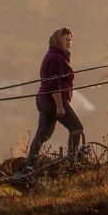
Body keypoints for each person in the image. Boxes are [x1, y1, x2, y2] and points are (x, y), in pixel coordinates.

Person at [20, 27, 84, 174]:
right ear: (58, 41)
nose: (69, 42)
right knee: (77, 127)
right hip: (53, 101)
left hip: (44, 101)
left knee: (43, 134)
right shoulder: (56, 58)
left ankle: (29, 167)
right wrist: (59, 106)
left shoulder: (55, 56)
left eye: (70, 40)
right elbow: (55, 84)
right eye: (65, 39)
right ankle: (72, 163)